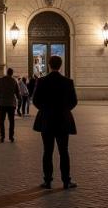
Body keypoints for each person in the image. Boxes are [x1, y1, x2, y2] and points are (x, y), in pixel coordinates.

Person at [32, 56, 77, 189]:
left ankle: (47, 181)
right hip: (63, 120)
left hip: (47, 120)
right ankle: (66, 181)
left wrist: (45, 110)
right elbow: (74, 101)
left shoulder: (42, 81)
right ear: (61, 66)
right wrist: (64, 110)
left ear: (49, 66)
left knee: (47, 152)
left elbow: (35, 100)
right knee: (64, 151)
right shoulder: (68, 82)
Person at [0, 68, 21, 142]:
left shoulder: (0, 80)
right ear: (12, 73)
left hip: (2, 103)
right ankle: (11, 137)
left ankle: (2, 137)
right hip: (11, 104)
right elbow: (17, 93)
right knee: (11, 121)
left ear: (6, 72)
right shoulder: (14, 81)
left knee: (1, 121)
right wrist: (19, 100)